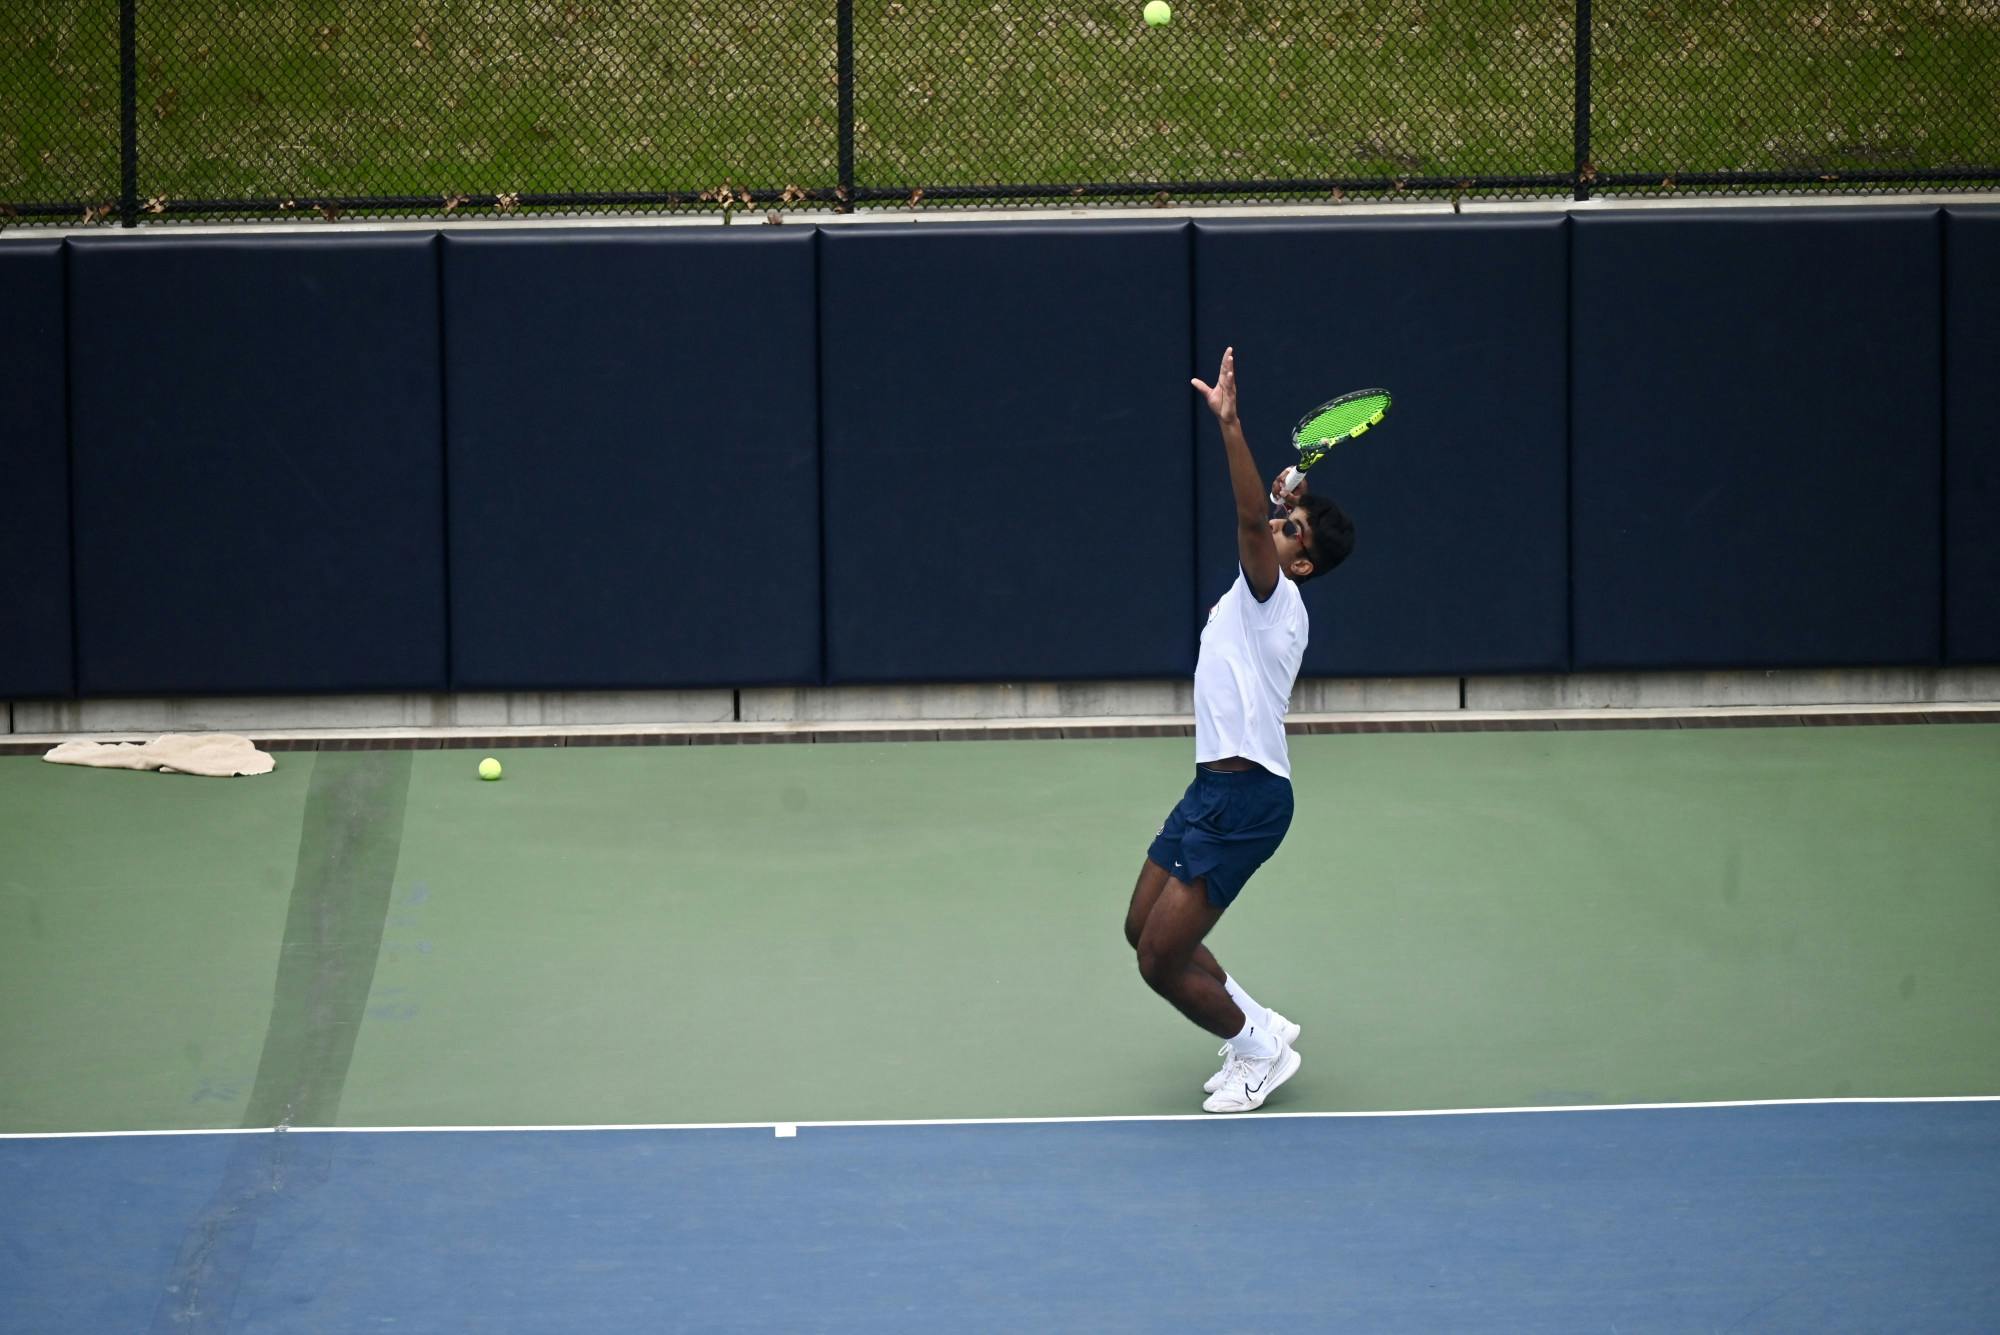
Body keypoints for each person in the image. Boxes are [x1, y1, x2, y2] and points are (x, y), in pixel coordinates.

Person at [1123, 346, 1356, 1113]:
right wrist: (1294, 494)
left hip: (1249, 798)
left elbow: (1248, 516)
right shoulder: (1259, 587)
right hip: (1209, 788)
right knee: (1140, 927)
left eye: (1292, 532)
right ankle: (1260, 1022)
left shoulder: (1276, 597)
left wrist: (1231, 426)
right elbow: (1267, 515)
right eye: (1286, 521)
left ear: (1304, 565)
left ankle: (1257, 1050)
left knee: (1160, 960)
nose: (1278, 529)